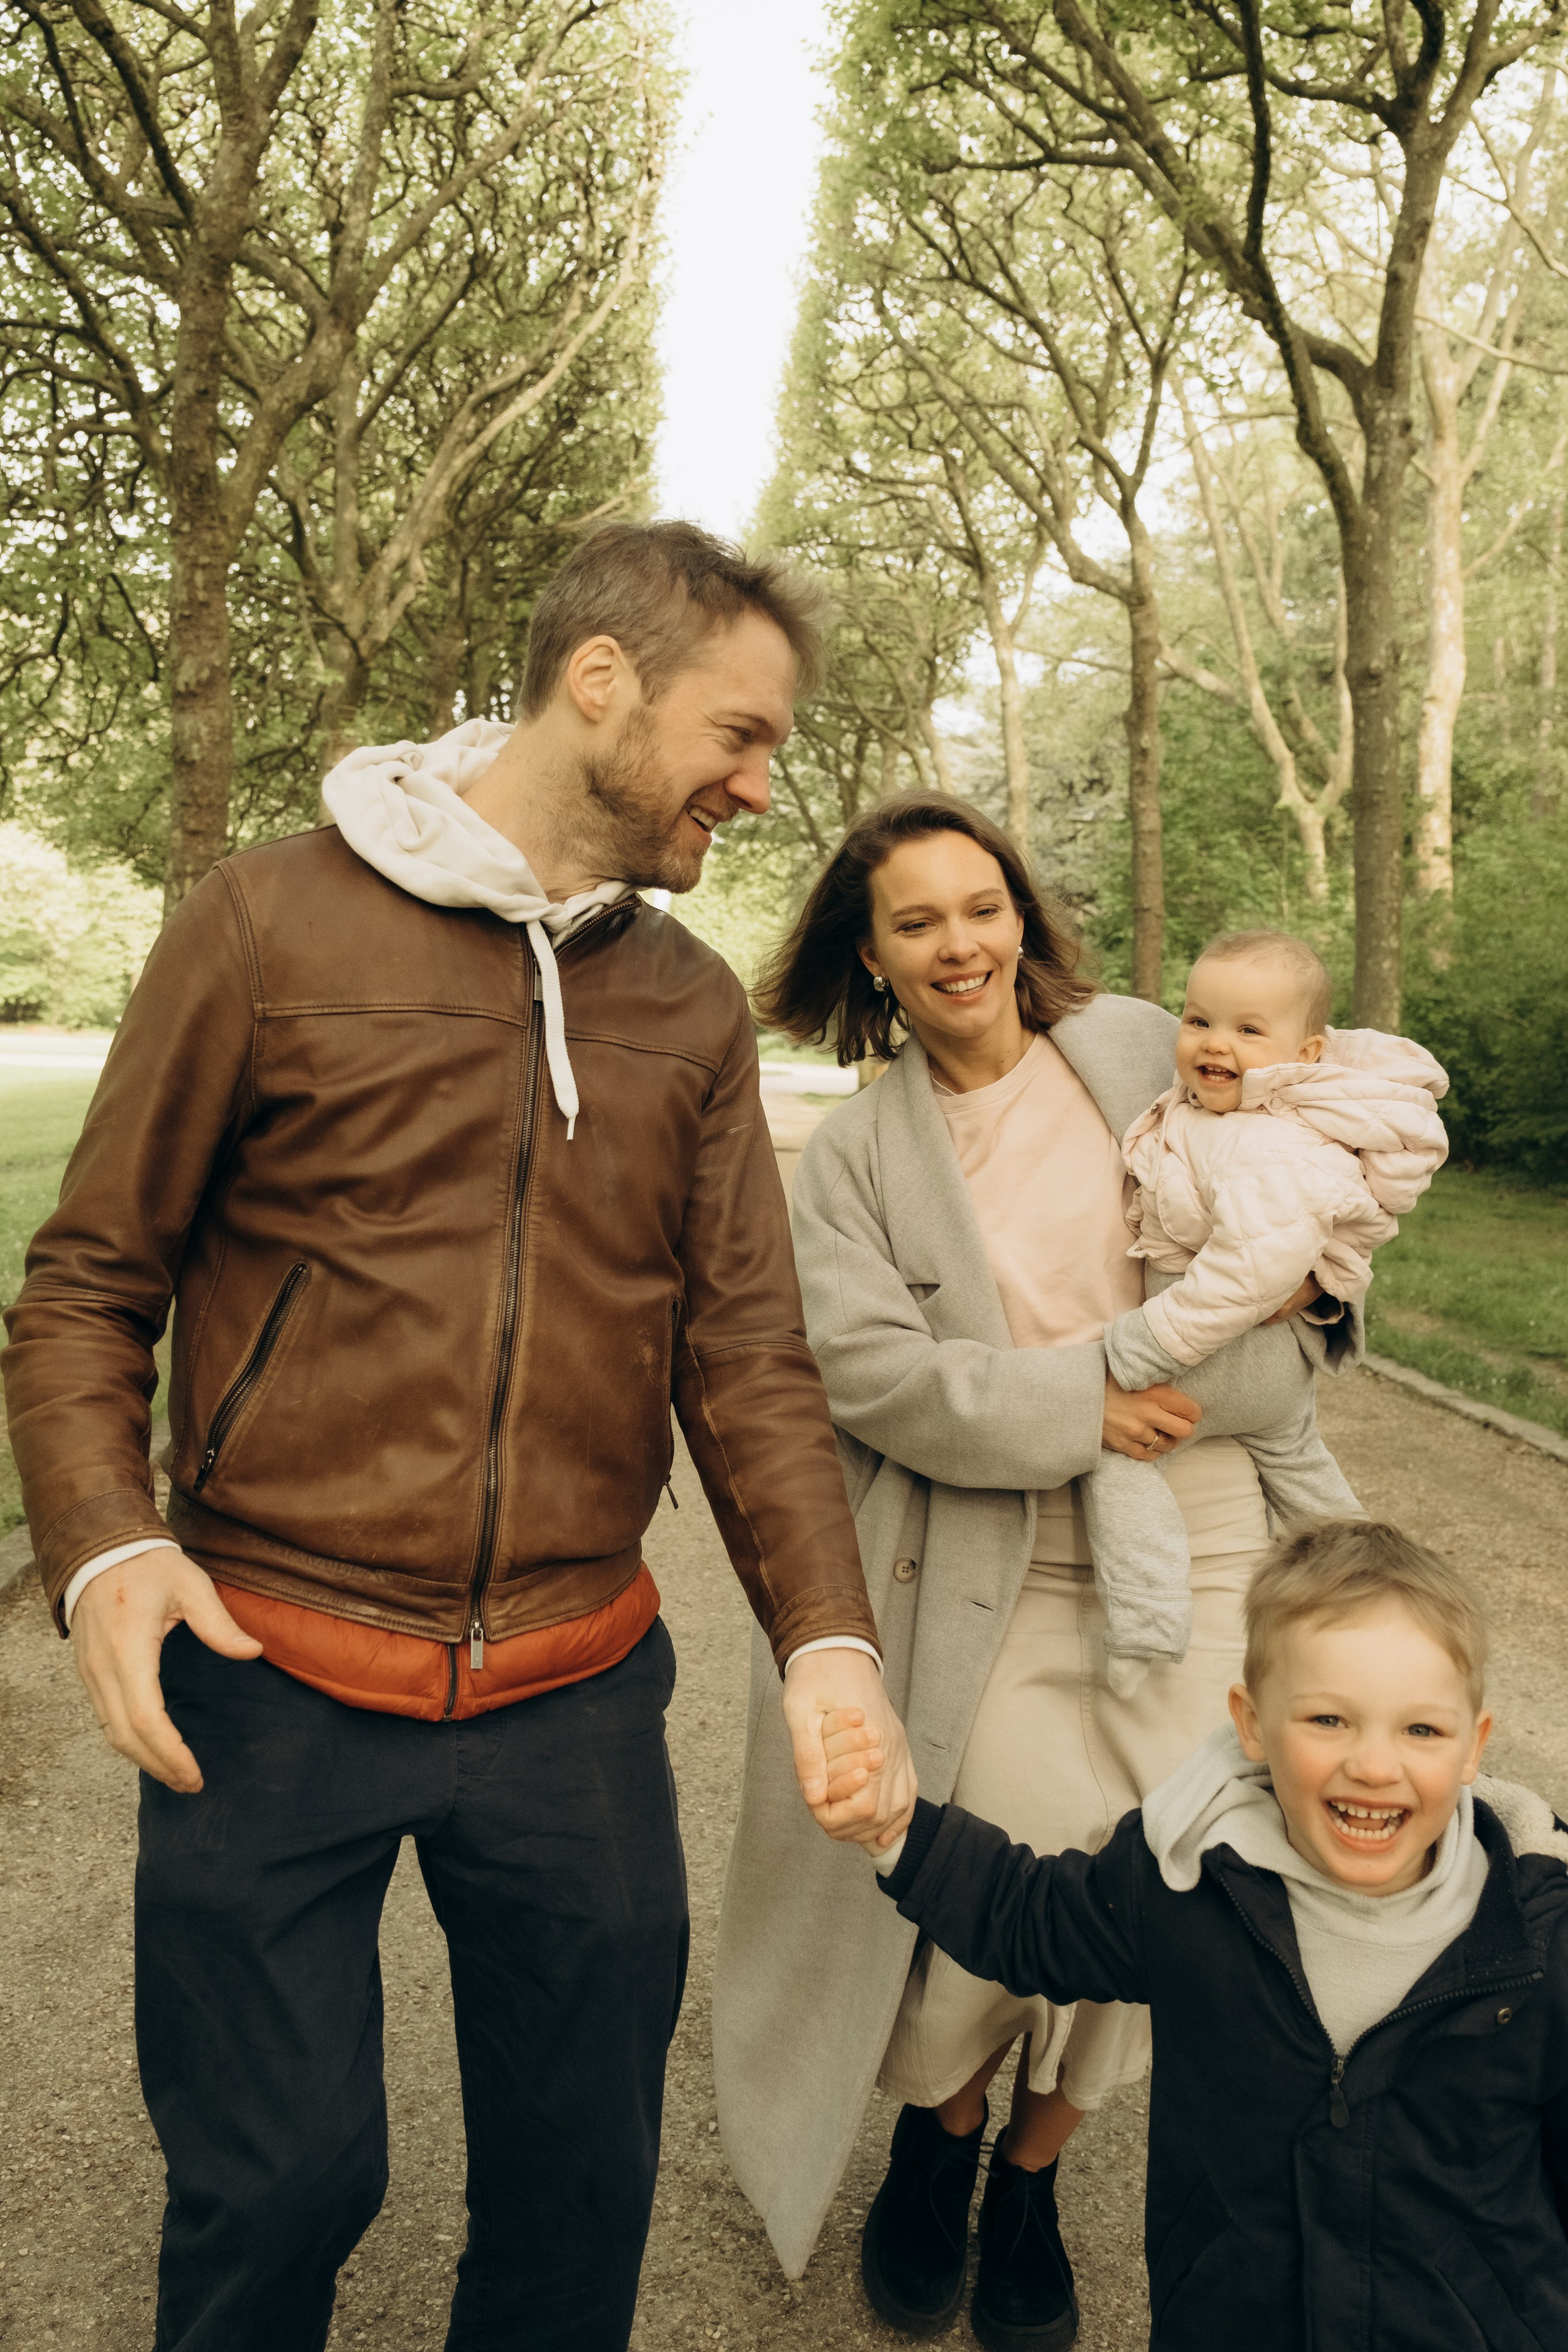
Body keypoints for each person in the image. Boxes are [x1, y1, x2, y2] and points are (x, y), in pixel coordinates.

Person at [1, 521, 913, 2352]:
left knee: (579, 2196)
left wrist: (825, 1635)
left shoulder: (684, 1005)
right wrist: (105, 1537)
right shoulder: (264, 921)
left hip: (573, 1700)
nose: (761, 778)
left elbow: (744, 1350)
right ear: (601, 684)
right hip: (270, 1668)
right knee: (279, 2184)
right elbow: (91, 1280)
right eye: (737, 732)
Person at [712, 793, 1351, 2350]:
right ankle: (934, 2136)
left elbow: (1311, 1189)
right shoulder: (858, 1152)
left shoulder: (1141, 1042)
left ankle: (1031, 2170)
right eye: (916, 920)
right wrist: (1081, 1401)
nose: (959, 943)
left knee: (1178, 1866)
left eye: (979, 905)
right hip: (993, 1548)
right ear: (867, 954)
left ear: (1020, 916)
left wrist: (1276, 1337)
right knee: (986, 1876)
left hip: (1197, 1525)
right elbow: (871, 1375)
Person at [840, 1517, 1568, 2352]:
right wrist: (896, 1827)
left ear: (1474, 1745)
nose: (1374, 1765)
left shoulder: (1540, 1943)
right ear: (1251, 1724)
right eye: (1329, 1720)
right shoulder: (1190, 1885)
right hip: (1230, 2319)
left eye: (1422, 1730)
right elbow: (1031, 1918)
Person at [1075, 927, 1449, 1692]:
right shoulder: (1250, 1117)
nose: (1216, 1044)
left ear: (1305, 1055)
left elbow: (1254, 1272)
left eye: (1248, 1029)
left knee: (1118, 1457)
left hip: (1210, 1360)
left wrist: (1144, 1346)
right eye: (1198, 1020)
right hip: (1274, 1387)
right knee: (1310, 1485)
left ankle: (1147, 1628)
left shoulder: (1259, 1141)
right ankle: (1378, 1612)